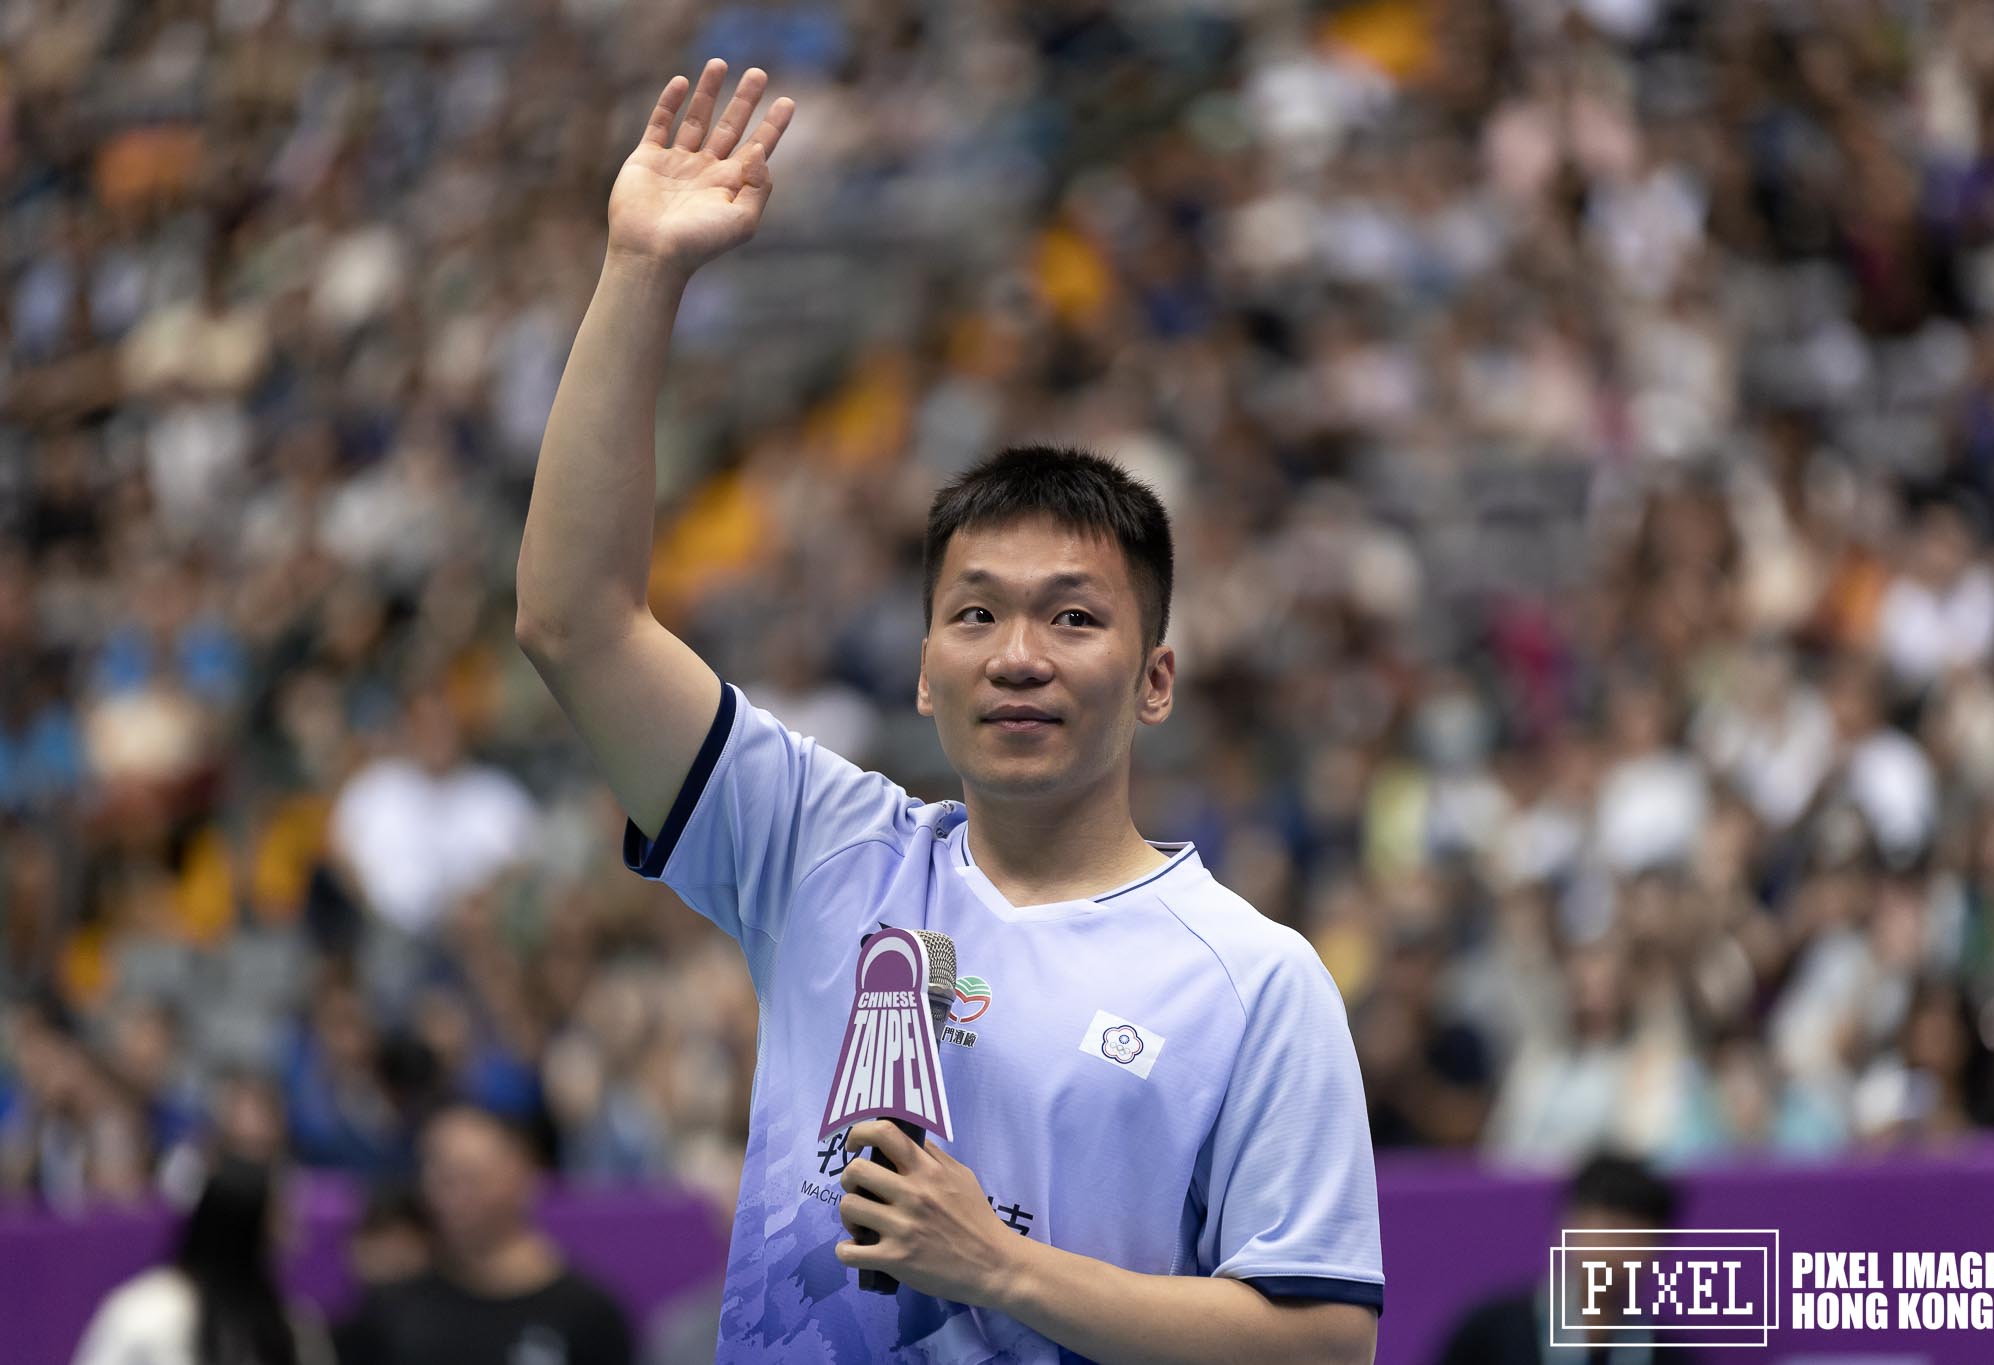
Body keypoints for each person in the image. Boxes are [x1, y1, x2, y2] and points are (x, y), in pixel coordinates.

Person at [516, 59, 1384, 1363]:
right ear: (923, 669)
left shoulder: (1255, 980)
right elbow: (575, 624)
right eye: (975, 614)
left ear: (1157, 679)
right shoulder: (822, 849)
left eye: (1075, 618)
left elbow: (1324, 1342)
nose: (1017, 655)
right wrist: (642, 269)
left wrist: (1002, 1268)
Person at [338, 1104, 631, 1365]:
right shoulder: (391, 1309)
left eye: (470, 1176)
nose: (452, 1197)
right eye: (440, 1176)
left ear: (524, 1175)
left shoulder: (588, 1313)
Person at [1432, 1153, 1698, 1365]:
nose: (1618, 1253)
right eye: (1611, 1229)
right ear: (1569, 1225)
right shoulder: (1491, 1335)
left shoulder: (1665, 1354)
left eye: (1637, 1238)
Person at [71, 1156, 332, 1365]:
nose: (294, 1241)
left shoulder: (292, 1328)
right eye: (279, 1225)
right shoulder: (146, 1314)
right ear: (242, 1230)